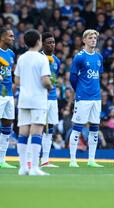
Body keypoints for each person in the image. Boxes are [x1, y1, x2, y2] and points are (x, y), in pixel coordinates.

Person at [15, 29, 52, 176]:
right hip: (37, 99)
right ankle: (35, 168)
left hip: (24, 99)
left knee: (23, 132)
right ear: (39, 41)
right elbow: (45, 81)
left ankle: (23, 167)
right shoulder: (42, 58)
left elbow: (16, 80)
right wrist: (50, 85)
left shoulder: (22, 58)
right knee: (36, 132)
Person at [69, 29, 104, 168]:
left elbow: (98, 75)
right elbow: (73, 77)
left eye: (95, 37)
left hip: (96, 97)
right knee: (77, 127)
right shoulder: (79, 57)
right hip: (83, 97)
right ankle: (72, 160)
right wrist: (80, 90)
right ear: (84, 40)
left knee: (94, 127)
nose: (93, 40)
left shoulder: (99, 57)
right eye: (90, 37)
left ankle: (91, 160)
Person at [40, 32, 61, 168]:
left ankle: (45, 160)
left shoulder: (57, 61)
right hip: (40, 98)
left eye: (53, 42)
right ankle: (30, 159)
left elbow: (54, 78)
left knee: (50, 128)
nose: (52, 45)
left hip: (52, 98)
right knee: (37, 127)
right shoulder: (38, 58)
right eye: (49, 42)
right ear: (42, 44)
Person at [0, 27, 16, 169]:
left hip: (8, 95)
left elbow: (9, 73)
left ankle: (2, 159)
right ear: (3, 37)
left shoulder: (11, 54)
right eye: (10, 36)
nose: (13, 38)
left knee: (7, 126)